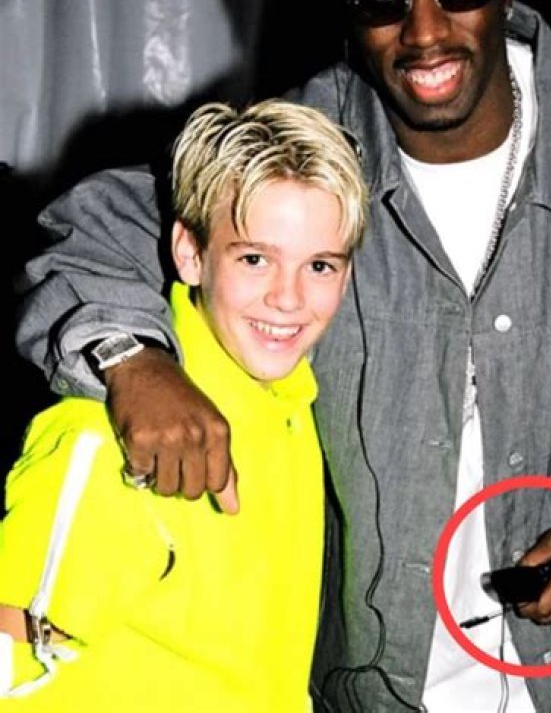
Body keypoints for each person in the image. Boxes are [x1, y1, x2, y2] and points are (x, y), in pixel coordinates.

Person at [15, 0, 551, 713]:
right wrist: (132, 358)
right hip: (369, 683)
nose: (424, 31)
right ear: (348, 4)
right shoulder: (303, 146)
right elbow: (93, 228)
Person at [0, 100, 367, 710]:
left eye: (320, 266)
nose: (288, 298)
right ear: (190, 253)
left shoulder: (293, 407)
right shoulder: (114, 438)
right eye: (255, 259)